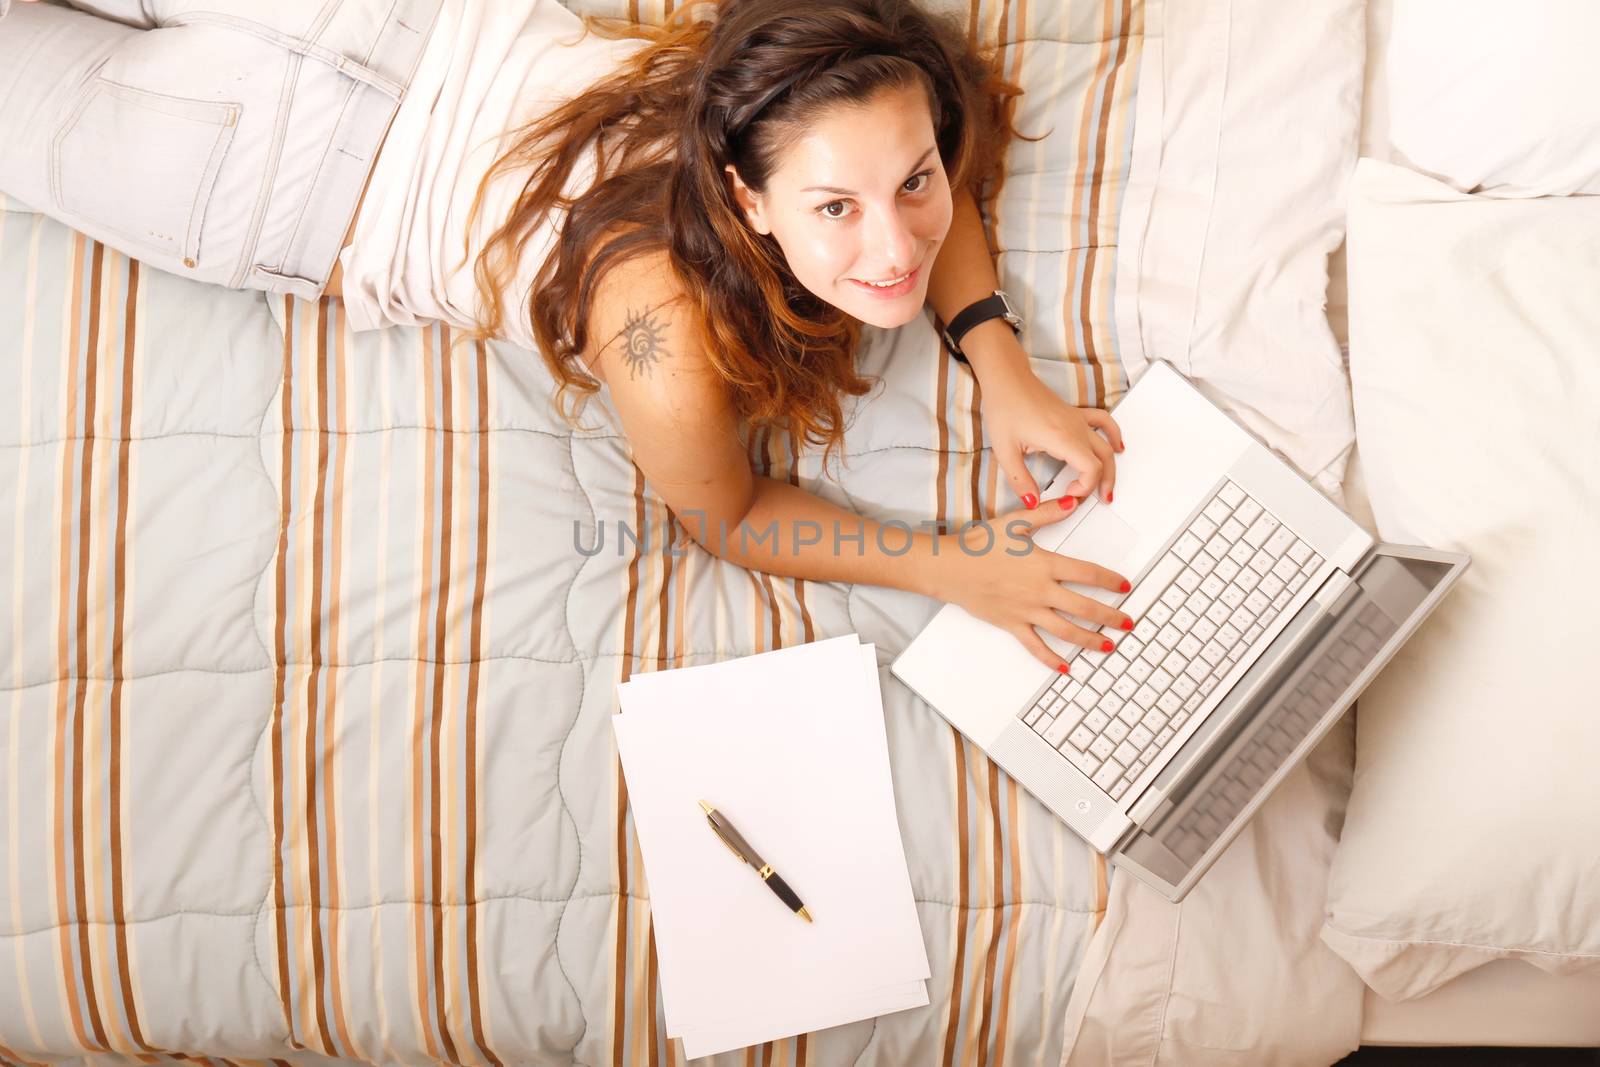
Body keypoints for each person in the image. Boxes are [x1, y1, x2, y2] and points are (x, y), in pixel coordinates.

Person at [0, 0, 1137, 673]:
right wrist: (960, 567)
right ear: (745, 197)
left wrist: (999, 362)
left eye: (916, 186)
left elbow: (942, 115)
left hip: (304, 88)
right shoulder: (658, 318)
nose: (895, 252)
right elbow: (726, 515)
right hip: (266, 167)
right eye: (835, 208)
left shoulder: (799, 78)